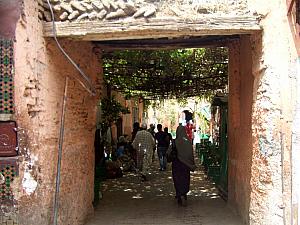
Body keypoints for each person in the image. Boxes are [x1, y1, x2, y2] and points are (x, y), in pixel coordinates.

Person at [172, 124, 196, 206]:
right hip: (185, 165)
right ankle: (184, 193)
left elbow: (169, 152)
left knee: (177, 179)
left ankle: (179, 194)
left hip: (176, 164)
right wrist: (192, 163)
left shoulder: (175, 141)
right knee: (185, 179)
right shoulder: (188, 141)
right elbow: (190, 154)